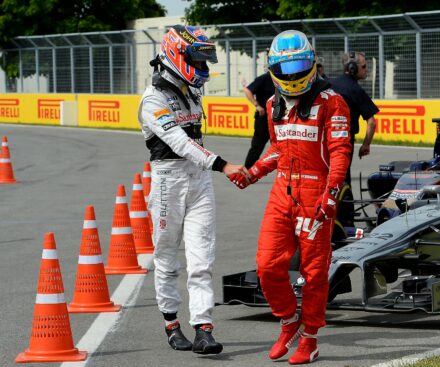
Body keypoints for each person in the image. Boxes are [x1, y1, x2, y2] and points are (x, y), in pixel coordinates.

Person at [229, 30, 351, 364]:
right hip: (282, 191)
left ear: (311, 65)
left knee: (313, 272)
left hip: (316, 194)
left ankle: (309, 338)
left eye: (298, 68)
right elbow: (278, 149)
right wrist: (253, 172)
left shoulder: (332, 102)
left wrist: (331, 195)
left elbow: (340, 152)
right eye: (285, 69)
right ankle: (288, 321)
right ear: (273, 69)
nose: (292, 76)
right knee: (267, 266)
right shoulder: (272, 104)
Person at [138, 24, 245, 354]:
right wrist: (223, 164)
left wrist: (211, 166)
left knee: (202, 258)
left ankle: (204, 328)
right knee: (167, 257)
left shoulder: (193, 92)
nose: (203, 68)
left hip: (199, 181)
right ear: (176, 55)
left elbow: (195, 140)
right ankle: (172, 325)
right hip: (169, 180)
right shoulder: (152, 99)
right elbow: (179, 142)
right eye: (197, 60)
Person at [329, 51, 379, 185]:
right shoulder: (356, 90)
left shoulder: (328, 84)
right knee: (343, 178)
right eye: (363, 66)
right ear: (352, 68)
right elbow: (372, 122)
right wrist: (366, 144)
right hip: (344, 140)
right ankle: (344, 204)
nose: (366, 69)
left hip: (324, 138)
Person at [243, 71, 275, 168]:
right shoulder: (264, 78)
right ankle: (247, 170)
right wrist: (257, 106)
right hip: (264, 118)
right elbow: (247, 90)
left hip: (278, 119)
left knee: (284, 147)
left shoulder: (282, 79)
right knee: (257, 146)